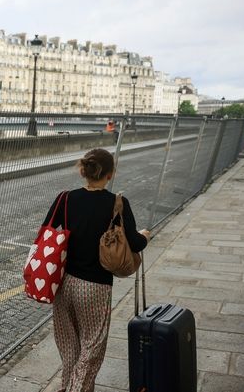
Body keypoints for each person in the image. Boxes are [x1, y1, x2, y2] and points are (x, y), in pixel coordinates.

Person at [42, 148, 149, 392]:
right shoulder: (117, 204)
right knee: (91, 348)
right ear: (110, 175)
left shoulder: (65, 198)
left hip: (63, 283)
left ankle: (67, 387)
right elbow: (134, 242)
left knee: (70, 347)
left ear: (83, 171)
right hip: (95, 287)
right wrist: (146, 235)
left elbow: (47, 231)